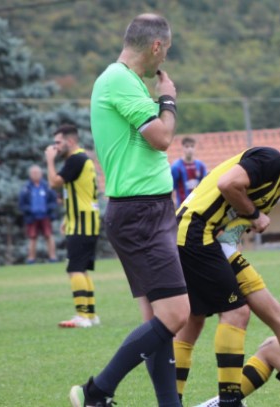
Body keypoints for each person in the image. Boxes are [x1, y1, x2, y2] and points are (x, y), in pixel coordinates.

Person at [69, 13, 189, 407]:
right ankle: (95, 392)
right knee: (176, 314)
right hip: (141, 214)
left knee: (157, 323)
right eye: (165, 50)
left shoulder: (128, 82)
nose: (165, 58)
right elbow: (162, 137)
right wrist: (167, 98)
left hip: (146, 212)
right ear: (156, 46)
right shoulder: (118, 80)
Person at [173, 132, 280, 406]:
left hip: (206, 239)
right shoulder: (271, 160)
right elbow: (228, 183)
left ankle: (172, 400)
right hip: (196, 233)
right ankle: (229, 401)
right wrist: (254, 215)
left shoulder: (276, 188)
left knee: (193, 321)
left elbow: (231, 228)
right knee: (236, 312)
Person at [44, 124, 100, 328]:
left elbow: (54, 182)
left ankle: (82, 316)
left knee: (75, 268)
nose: (55, 147)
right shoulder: (81, 159)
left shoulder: (76, 159)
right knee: (81, 269)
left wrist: (49, 160)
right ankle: (91, 315)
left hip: (82, 223)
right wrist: (68, 219)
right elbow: (78, 192)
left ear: (70, 141)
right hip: (84, 221)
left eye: (58, 142)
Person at [18, 164, 58, 263]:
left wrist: (48, 209)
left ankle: (52, 257)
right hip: (32, 217)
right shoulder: (26, 188)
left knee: (49, 236)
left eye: (37, 172)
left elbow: (54, 200)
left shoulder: (47, 186)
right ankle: (31, 259)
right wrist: (30, 210)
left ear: (41, 174)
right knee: (32, 237)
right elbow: (21, 204)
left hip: (45, 216)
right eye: (33, 173)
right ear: (30, 174)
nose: (35, 174)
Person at [171, 137, 207, 207]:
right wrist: (173, 202)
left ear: (195, 148)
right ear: (183, 148)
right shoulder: (176, 167)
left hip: (198, 204)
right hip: (182, 205)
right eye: (187, 147)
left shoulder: (201, 166)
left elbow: (205, 184)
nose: (190, 149)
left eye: (192, 146)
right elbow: (171, 187)